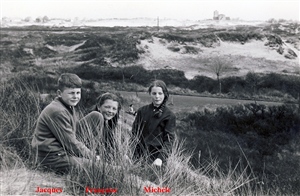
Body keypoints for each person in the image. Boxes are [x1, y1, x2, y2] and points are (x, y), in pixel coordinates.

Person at [32, 73, 104, 174]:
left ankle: (92, 156)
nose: (75, 97)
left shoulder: (68, 106)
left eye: (78, 93)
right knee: (101, 168)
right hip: (52, 158)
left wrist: (90, 153)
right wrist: (92, 157)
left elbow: (71, 134)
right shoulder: (58, 111)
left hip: (64, 148)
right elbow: (71, 143)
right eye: (71, 93)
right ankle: (94, 160)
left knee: (96, 116)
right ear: (59, 93)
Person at [132, 80, 176, 166]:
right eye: (154, 93)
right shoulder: (142, 111)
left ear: (165, 94)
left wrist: (160, 158)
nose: (157, 96)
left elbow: (169, 140)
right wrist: (129, 152)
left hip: (157, 159)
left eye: (160, 93)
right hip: (138, 155)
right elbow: (134, 133)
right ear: (150, 94)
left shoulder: (170, 115)